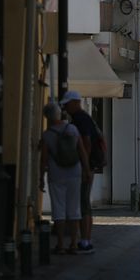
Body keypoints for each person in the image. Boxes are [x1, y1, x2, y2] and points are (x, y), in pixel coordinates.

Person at [39, 102, 87, 255]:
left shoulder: (47, 135)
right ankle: (73, 243)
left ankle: (60, 244)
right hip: (75, 173)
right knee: (74, 209)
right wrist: (87, 170)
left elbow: (44, 159)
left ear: (47, 117)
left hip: (56, 175)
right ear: (59, 114)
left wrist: (41, 177)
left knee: (58, 210)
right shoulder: (72, 129)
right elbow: (82, 151)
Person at [61, 91, 101, 254]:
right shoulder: (84, 118)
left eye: (67, 103)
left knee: (83, 203)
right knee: (82, 203)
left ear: (76, 103)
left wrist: (86, 167)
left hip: (85, 167)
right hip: (87, 166)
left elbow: (86, 143)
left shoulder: (80, 119)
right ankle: (83, 239)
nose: (65, 107)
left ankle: (85, 241)